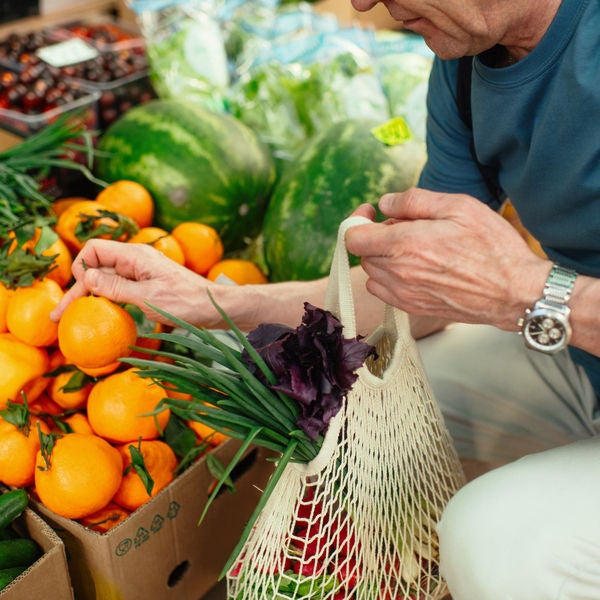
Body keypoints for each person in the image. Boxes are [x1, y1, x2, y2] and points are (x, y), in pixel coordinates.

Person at [50, 0, 599, 597]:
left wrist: (527, 292)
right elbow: (418, 299)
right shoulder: (464, 67)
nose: (362, 3)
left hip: (571, 329)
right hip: (584, 360)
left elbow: (523, 294)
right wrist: (211, 299)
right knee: (353, 399)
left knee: (493, 540)